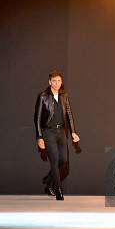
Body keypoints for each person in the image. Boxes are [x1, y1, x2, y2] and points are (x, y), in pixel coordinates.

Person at [34, 70, 80, 200]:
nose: (57, 83)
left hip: (61, 132)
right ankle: (58, 190)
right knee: (54, 160)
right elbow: (37, 118)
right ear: (49, 82)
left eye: (59, 80)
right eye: (54, 81)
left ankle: (49, 180)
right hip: (48, 132)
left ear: (61, 82)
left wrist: (73, 132)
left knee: (63, 161)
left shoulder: (64, 96)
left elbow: (69, 115)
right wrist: (39, 137)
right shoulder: (43, 96)